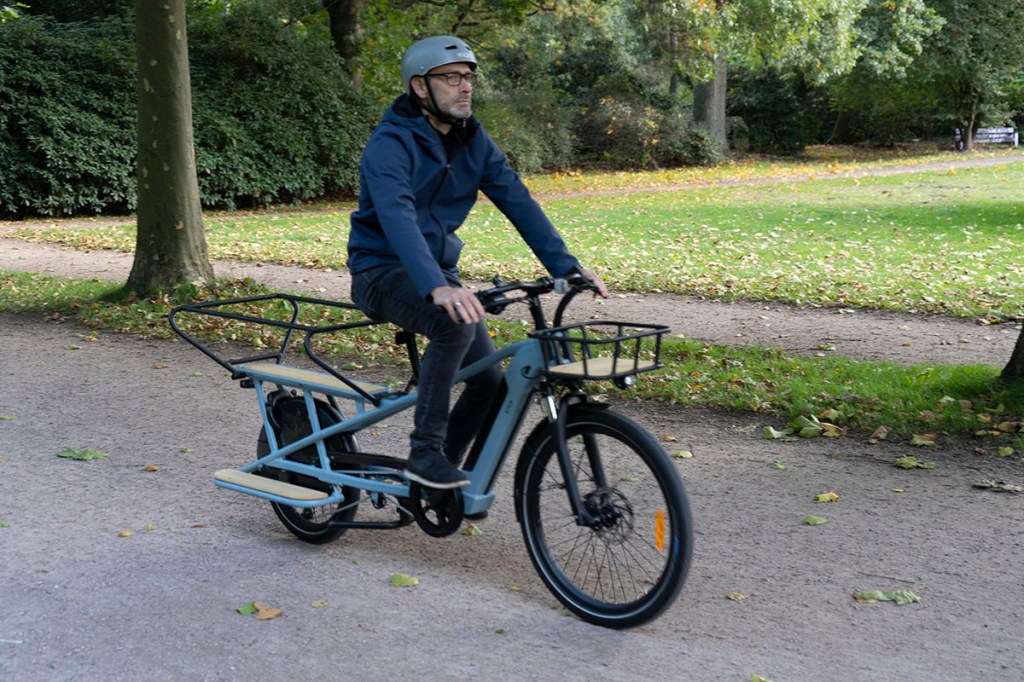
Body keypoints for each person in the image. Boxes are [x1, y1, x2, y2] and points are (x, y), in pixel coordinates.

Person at [347, 36, 608, 490]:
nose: (465, 87)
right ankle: (424, 454)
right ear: (420, 88)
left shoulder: (473, 141)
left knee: (489, 383)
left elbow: (517, 200)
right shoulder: (390, 144)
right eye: (451, 78)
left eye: (468, 77)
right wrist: (437, 286)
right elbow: (397, 217)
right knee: (455, 324)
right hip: (380, 270)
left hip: (434, 273)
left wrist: (564, 266)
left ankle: (435, 484)